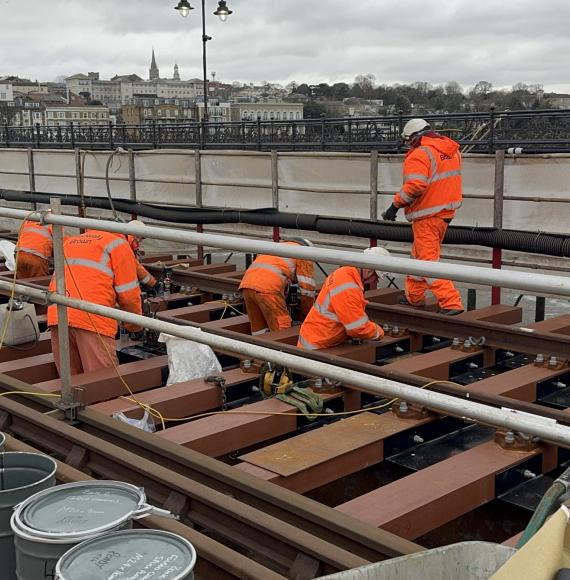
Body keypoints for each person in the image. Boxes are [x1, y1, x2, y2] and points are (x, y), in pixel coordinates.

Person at [382, 118, 464, 315]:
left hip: (427, 215)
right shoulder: (451, 151)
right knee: (418, 257)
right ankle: (414, 296)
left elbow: (415, 185)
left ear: (414, 138)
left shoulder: (420, 154)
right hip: (444, 213)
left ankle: (451, 302)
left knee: (426, 261)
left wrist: (394, 206)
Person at [47, 229, 143, 375]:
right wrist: (135, 327)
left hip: (58, 313)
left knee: (71, 382)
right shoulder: (119, 245)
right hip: (92, 317)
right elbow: (129, 296)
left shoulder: (72, 241)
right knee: (102, 384)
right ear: (131, 238)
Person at [297, 247, 388, 350]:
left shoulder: (346, 274)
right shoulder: (348, 286)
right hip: (317, 346)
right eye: (376, 277)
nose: (375, 281)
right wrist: (378, 332)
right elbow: (357, 328)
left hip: (321, 338)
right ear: (369, 269)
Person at [239, 238, 316, 335]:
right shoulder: (303, 253)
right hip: (268, 290)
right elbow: (307, 290)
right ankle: (280, 349)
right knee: (282, 329)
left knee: (258, 327)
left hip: (246, 285)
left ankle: (258, 347)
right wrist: (307, 314)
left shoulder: (275, 247)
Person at [127, 220, 157, 291]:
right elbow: (136, 266)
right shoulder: (125, 245)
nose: (140, 242)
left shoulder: (122, 240)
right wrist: (154, 284)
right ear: (137, 236)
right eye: (141, 239)